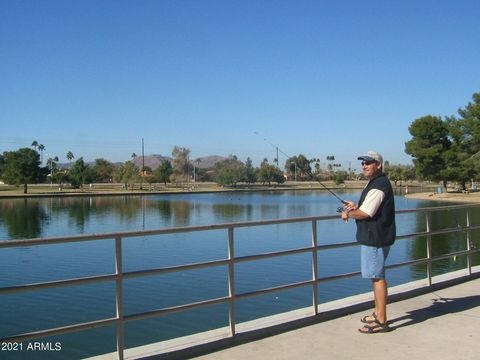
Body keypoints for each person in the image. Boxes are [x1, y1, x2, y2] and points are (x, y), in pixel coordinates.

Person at [340, 150, 396, 334]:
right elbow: (367, 208)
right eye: (363, 163)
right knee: (375, 275)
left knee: (377, 277)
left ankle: (381, 320)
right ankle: (378, 313)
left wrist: (348, 213)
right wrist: (355, 207)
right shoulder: (376, 183)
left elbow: (366, 214)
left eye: (368, 163)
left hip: (375, 239)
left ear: (378, 165)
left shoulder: (379, 185)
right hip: (377, 237)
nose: (364, 165)